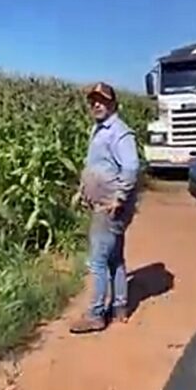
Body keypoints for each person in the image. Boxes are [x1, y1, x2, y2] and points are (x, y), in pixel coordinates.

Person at [70, 82, 141, 334]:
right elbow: (94, 164)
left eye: (102, 100)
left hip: (109, 208)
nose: (96, 105)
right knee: (115, 258)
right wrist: (82, 189)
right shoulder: (98, 129)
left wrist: (119, 198)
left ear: (113, 103)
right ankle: (120, 307)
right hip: (102, 204)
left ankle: (96, 314)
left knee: (97, 261)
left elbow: (131, 167)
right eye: (93, 101)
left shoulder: (120, 132)